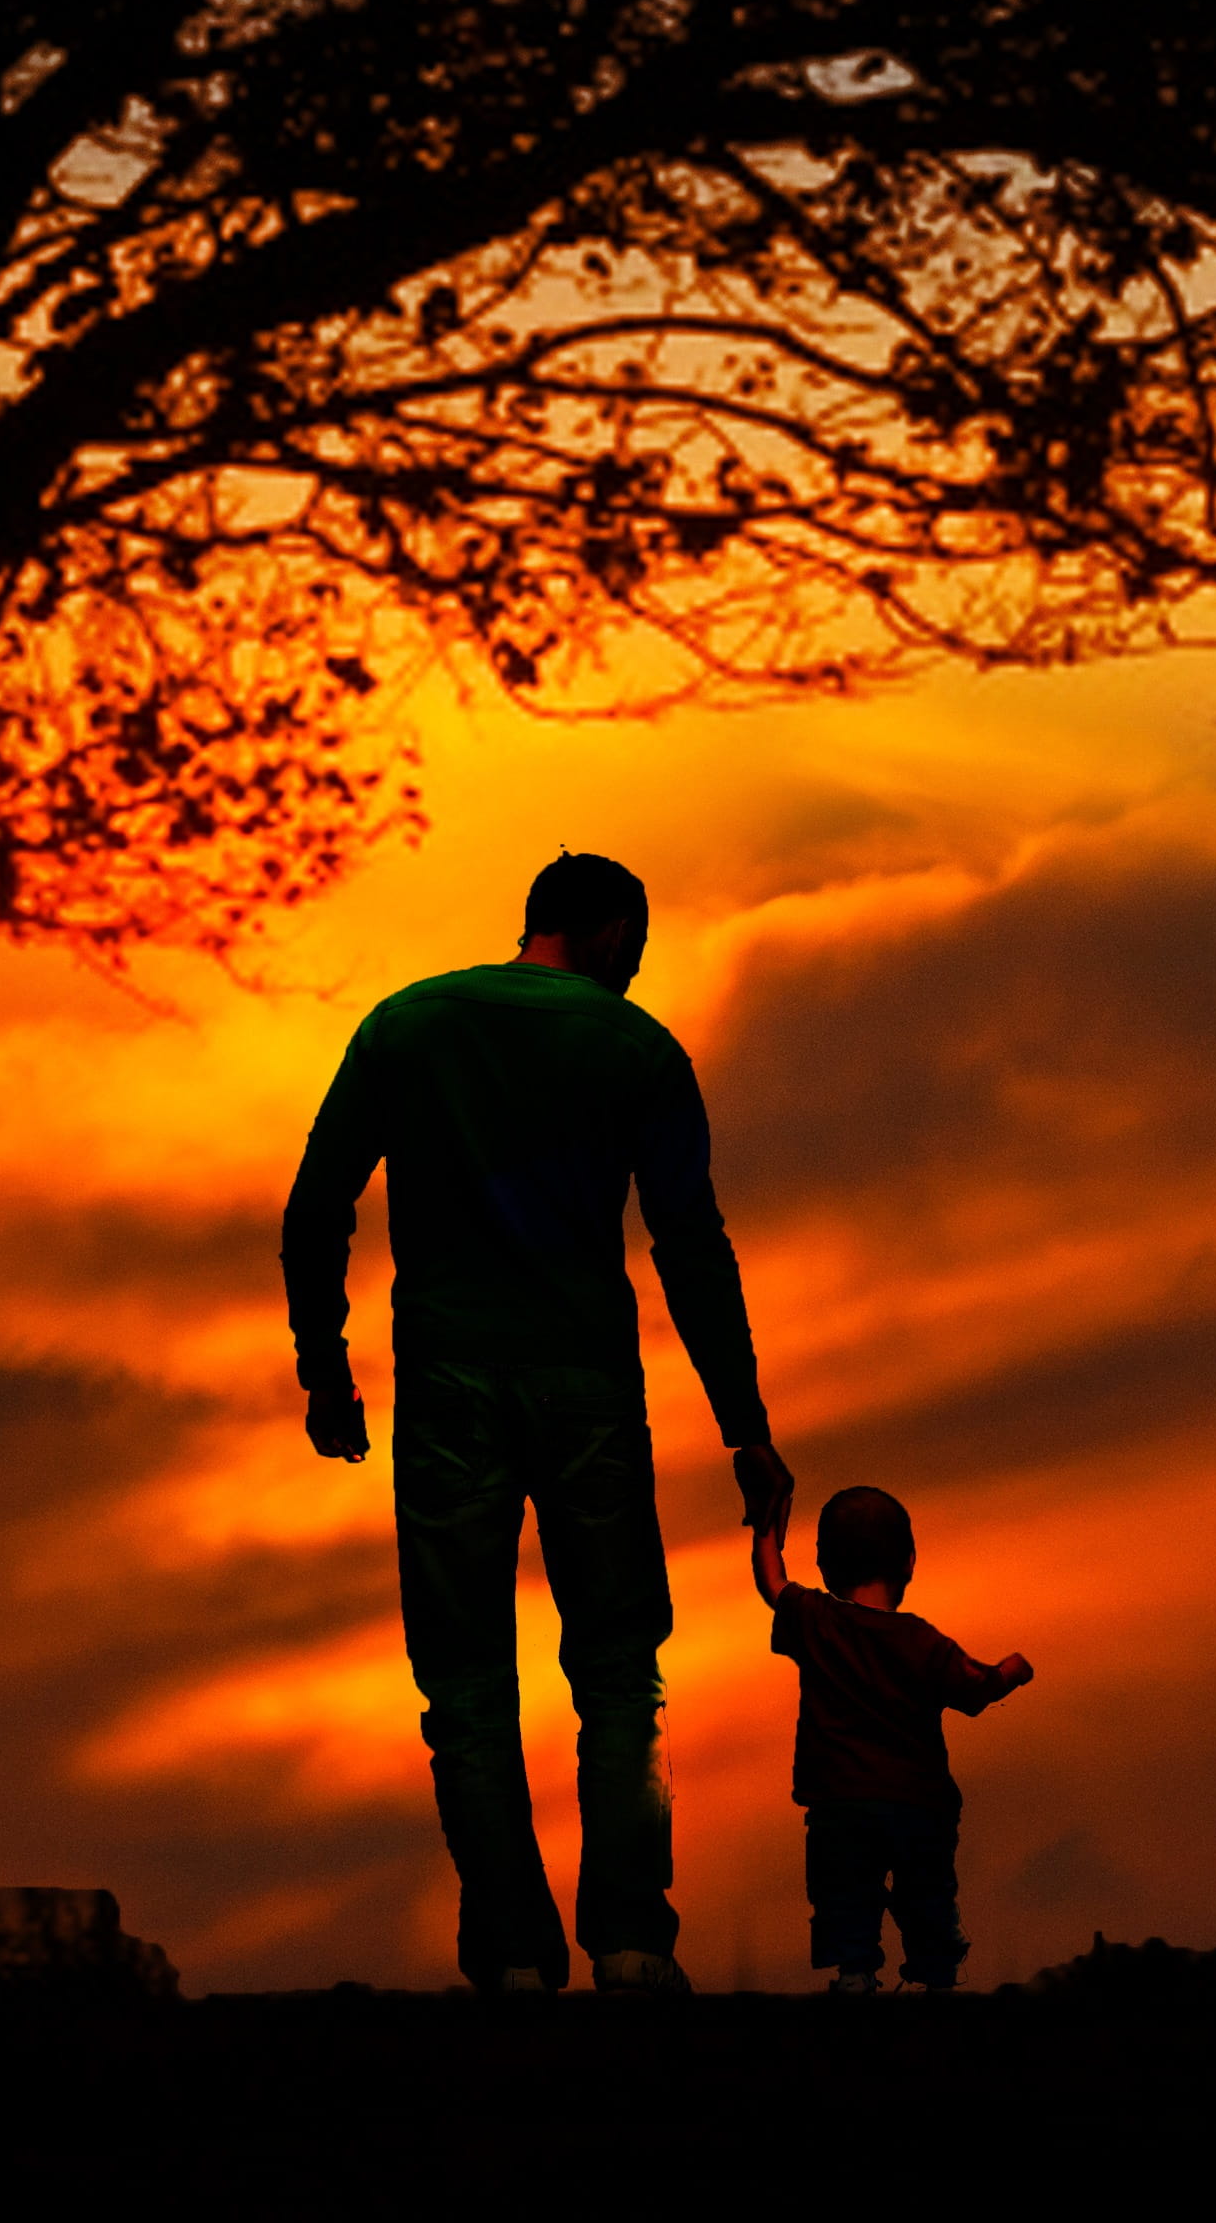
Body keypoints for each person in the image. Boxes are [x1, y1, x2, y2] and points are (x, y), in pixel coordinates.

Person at [282, 852, 793, 1996]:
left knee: (462, 1674)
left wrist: (326, 1369)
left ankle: (513, 1949)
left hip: (448, 1383)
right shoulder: (635, 1046)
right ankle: (628, 1938)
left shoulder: (410, 1024)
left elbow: (318, 1203)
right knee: (618, 1665)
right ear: (615, 933)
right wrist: (742, 1421)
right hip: (588, 1387)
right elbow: (689, 1242)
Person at [751, 1483, 1033, 1993]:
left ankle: (855, 1973)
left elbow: (772, 1583)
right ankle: (937, 1971)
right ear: (909, 1562)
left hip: (839, 1802)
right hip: (917, 1804)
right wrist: (1012, 1670)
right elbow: (978, 1689)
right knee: (926, 1891)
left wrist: (767, 1526)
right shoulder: (922, 1642)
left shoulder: (817, 1621)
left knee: (845, 1893)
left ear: (825, 1564)